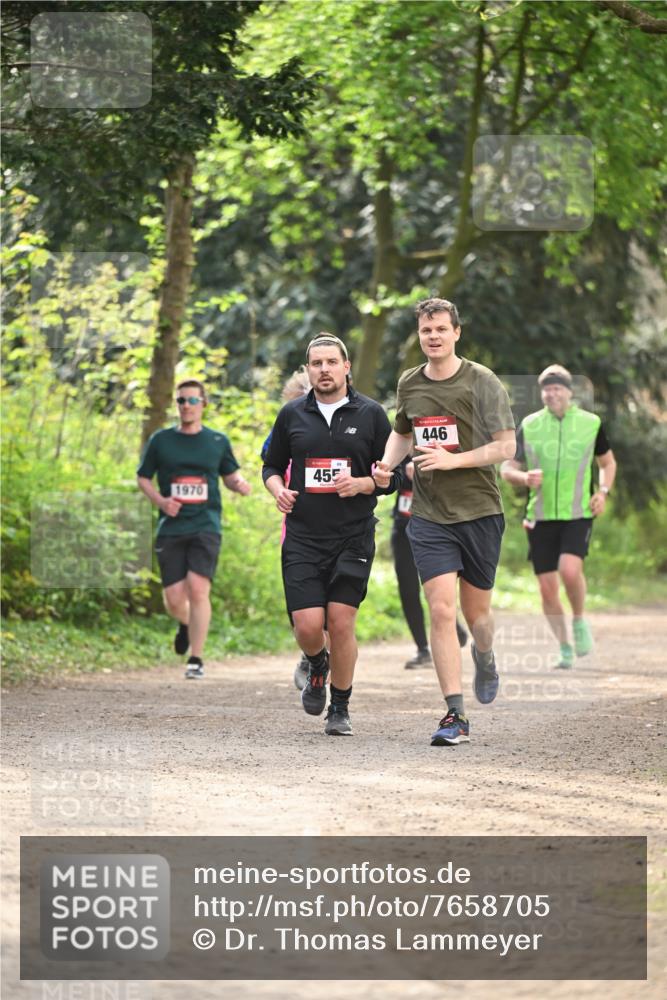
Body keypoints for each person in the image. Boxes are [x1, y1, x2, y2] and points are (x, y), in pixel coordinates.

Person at [374, 298, 516, 747]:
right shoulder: (410, 383)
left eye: (440, 329)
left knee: (478, 616)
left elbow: (506, 447)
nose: (432, 337)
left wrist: (453, 462)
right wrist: (384, 465)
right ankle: (455, 713)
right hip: (430, 515)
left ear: (456, 332)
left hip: (479, 511)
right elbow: (402, 430)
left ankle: (485, 654)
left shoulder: (482, 381)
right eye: (425, 331)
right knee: (440, 607)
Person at [262, 334, 400, 736]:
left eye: (330, 362)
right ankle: (317, 663)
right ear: (308, 370)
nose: (323, 369)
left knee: (340, 622)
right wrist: (278, 490)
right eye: (316, 363)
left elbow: (392, 478)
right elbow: (271, 466)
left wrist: (365, 484)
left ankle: (339, 706)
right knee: (307, 627)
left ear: (346, 367)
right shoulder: (291, 415)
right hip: (303, 536)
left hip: (352, 535)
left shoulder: (372, 414)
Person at [501, 364, 616, 668]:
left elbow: (608, 463)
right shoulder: (531, 424)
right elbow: (507, 468)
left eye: (557, 388)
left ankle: (578, 620)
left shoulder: (590, 423)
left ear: (569, 391)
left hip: (578, 513)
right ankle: (564, 647)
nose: (551, 393)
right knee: (547, 589)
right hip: (539, 516)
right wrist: (524, 478)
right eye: (546, 389)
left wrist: (602, 492)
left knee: (569, 570)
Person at [137, 379, 251, 679]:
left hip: (206, 524)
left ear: (204, 404)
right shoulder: (161, 441)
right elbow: (143, 478)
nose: (186, 406)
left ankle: (196, 659)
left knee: (198, 589)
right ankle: (186, 623)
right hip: (172, 526)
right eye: (181, 401)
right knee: (174, 598)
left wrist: (238, 485)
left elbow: (229, 475)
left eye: (192, 401)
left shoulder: (217, 441)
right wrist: (161, 502)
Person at [260, 366, 318, 691]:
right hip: (296, 529)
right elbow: (270, 464)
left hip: (340, 530)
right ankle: (310, 655)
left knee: (331, 607)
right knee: (301, 610)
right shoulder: (287, 424)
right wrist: (279, 489)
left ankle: (319, 666)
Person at [392, 456, 468, 669]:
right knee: (407, 589)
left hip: (435, 527)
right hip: (403, 525)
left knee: (435, 586)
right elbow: (383, 478)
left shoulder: (439, 436)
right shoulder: (395, 445)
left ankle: (451, 624)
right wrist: (399, 471)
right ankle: (422, 649)